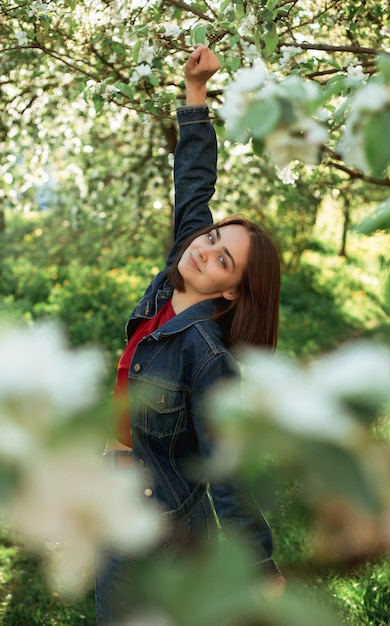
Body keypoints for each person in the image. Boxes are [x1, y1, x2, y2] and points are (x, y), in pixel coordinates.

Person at [95, 45, 284, 625]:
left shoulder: (207, 358)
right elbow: (194, 184)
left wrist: (258, 564)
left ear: (231, 292)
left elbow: (226, 468)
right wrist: (196, 92)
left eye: (223, 260)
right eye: (209, 239)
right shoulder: (177, 271)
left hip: (157, 519)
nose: (205, 252)